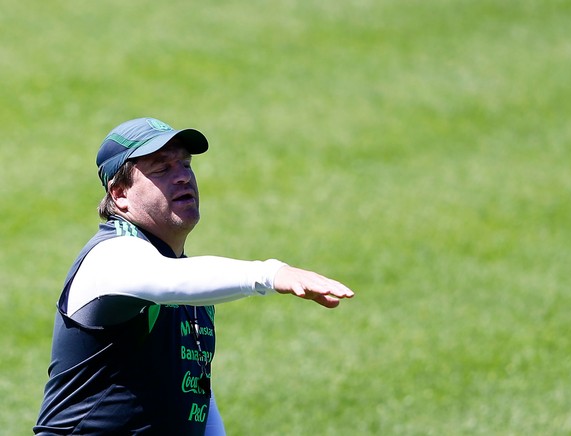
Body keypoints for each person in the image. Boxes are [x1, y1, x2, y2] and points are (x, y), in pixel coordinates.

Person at [34, 117, 355, 435]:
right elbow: (168, 279)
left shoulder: (187, 285)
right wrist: (271, 273)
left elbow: (194, 396)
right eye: (162, 169)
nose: (183, 178)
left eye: (185, 165)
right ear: (120, 195)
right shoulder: (110, 259)